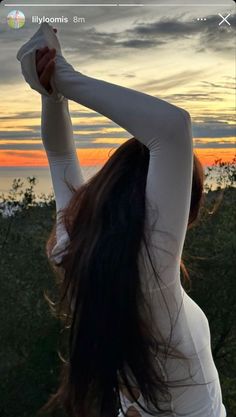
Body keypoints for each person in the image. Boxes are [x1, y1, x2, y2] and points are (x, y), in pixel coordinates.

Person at [17, 23, 226, 417]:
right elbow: (173, 127)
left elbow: (62, 159)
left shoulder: (77, 252)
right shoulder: (152, 276)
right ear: (188, 208)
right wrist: (64, 77)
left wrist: (52, 94)